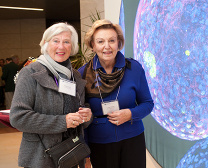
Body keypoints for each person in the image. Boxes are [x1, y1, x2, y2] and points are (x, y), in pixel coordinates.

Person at [10, 22, 93, 168]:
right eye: (56, 41)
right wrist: (62, 122)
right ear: (45, 44)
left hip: (71, 155)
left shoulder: (74, 75)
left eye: (66, 42)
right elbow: (18, 117)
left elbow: (80, 107)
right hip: (40, 158)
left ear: (72, 47)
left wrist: (86, 116)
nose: (61, 47)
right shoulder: (30, 73)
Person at [78, 19, 154, 168]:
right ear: (93, 45)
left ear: (118, 43)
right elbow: (81, 119)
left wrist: (130, 114)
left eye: (112, 41)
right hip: (99, 142)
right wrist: (85, 153)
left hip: (132, 138)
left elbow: (148, 104)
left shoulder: (134, 68)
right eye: (100, 41)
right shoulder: (82, 74)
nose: (107, 46)